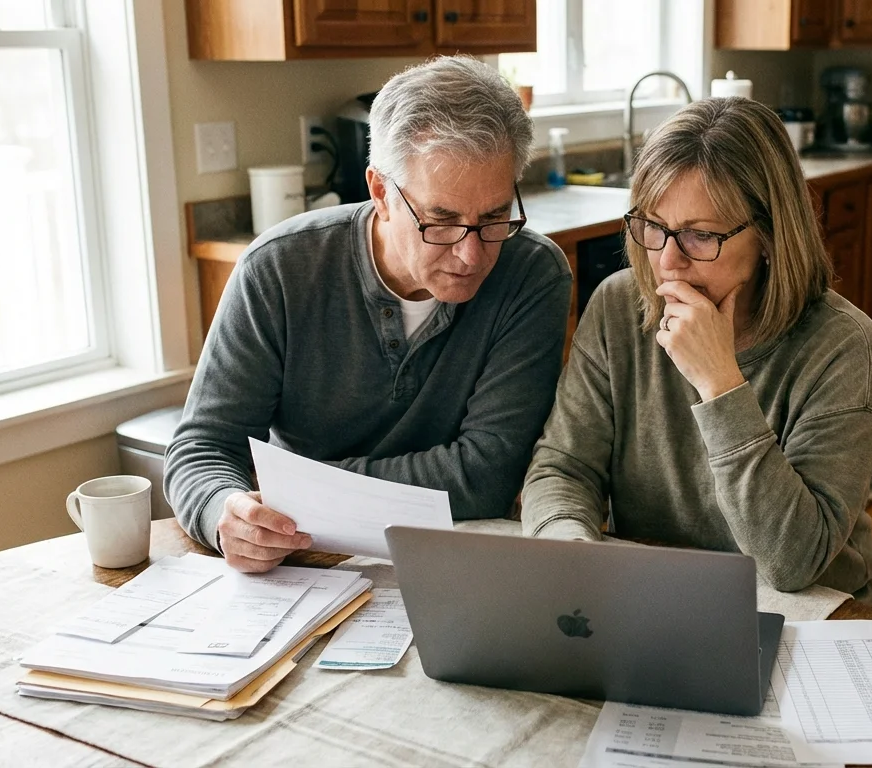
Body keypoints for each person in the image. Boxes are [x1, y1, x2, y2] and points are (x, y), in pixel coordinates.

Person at [167, 57, 572, 573]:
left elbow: (486, 476)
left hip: (454, 557)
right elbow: (203, 447)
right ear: (380, 192)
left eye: (494, 217)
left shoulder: (531, 274)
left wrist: (302, 486)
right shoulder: (277, 270)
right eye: (441, 221)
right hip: (299, 561)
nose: (472, 256)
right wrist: (222, 511)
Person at [522, 97, 872, 609]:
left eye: (700, 235)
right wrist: (571, 551)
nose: (666, 262)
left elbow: (791, 562)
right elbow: (562, 468)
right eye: (653, 226)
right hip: (660, 595)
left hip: (817, 614)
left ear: (768, 235)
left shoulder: (844, 345)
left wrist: (720, 384)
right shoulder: (616, 306)